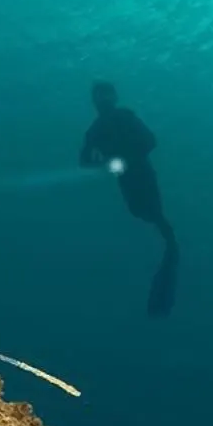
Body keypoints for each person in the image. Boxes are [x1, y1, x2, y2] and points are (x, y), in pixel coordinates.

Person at [80, 81, 178, 318]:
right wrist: (107, 162)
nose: (103, 100)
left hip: (140, 173)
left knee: (153, 215)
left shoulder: (123, 118)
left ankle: (170, 254)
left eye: (106, 95)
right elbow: (85, 161)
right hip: (130, 178)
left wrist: (124, 156)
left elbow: (150, 141)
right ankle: (170, 252)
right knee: (146, 214)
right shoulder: (96, 129)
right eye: (100, 96)